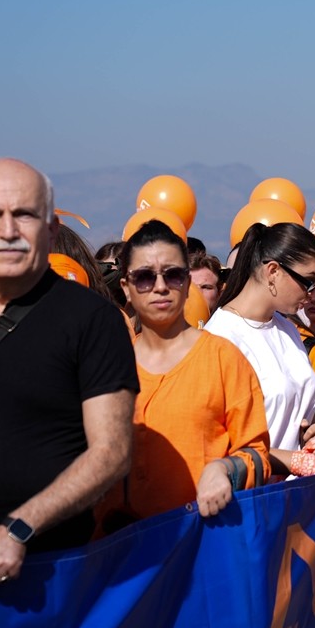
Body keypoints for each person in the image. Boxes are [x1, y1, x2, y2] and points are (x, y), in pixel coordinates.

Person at [0, 158, 137, 583]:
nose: (8, 231)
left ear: (50, 229)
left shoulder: (93, 320)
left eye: (24, 214)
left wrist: (19, 529)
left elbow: (112, 452)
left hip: (43, 575)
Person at [93, 221, 271, 530]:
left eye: (172, 275)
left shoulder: (223, 358)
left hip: (200, 548)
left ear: (187, 284)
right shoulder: (107, 364)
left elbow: (257, 455)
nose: (160, 287)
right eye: (145, 277)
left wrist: (224, 468)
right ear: (126, 288)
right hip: (117, 559)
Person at [205, 222, 315, 472]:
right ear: (273, 271)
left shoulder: (288, 329)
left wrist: (313, 434)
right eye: (309, 282)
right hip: (250, 498)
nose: (313, 293)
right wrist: (303, 462)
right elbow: (222, 446)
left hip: (294, 497)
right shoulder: (220, 338)